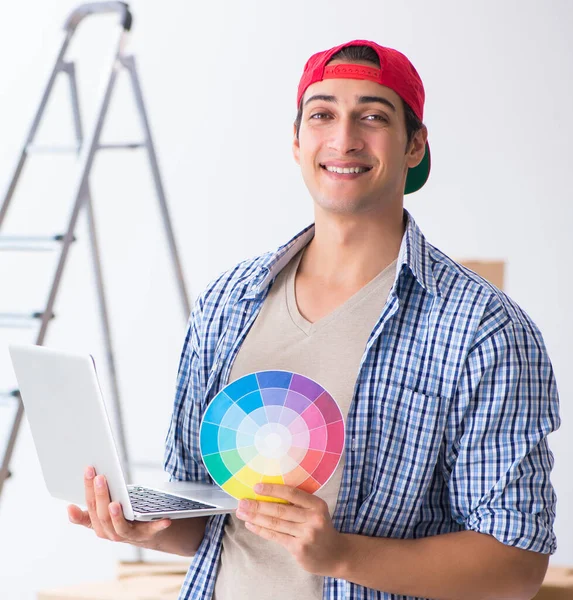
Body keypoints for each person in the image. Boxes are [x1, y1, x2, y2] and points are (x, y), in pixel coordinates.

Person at [68, 40, 561, 600]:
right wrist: (140, 523)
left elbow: (515, 566)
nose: (344, 138)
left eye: (373, 116)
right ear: (297, 141)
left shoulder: (483, 330)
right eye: (322, 114)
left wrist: (341, 555)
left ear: (415, 145)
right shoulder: (227, 303)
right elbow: (205, 518)